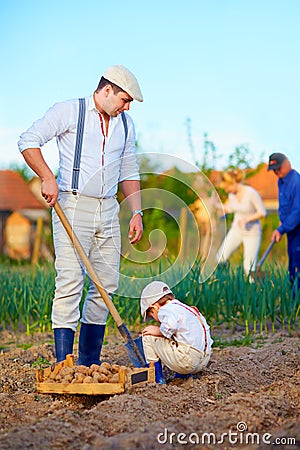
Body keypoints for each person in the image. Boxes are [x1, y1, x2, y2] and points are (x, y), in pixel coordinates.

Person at [18, 65, 144, 364]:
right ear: (107, 90)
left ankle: (89, 364)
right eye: (125, 100)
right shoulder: (69, 111)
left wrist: (136, 212)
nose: (127, 107)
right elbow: (28, 140)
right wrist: (48, 177)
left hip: (109, 208)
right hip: (73, 204)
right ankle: (64, 364)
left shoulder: (125, 125)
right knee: (71, 282)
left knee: (106, 285)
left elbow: (129, 169)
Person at [140, 281, 213, 383]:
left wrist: (157, 330)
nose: (156, 320)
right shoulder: (185, 309)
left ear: (154, 307)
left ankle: (157, 379)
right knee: (178, 336)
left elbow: (170, 326)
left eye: (152, 315)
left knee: (148, 336)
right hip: (203, 360)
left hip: (187, 361)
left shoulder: (165, 310)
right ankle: (182, 376)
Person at [216, 169, 266, 276]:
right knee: (221, 257)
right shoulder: (231, 195)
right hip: (236, 230)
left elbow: (262, 212)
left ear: (233, 183)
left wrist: (247, 219)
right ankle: (220, 282)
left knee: (249, 266)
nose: (227, 190)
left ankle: (252, 288)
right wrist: (221, 209)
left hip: (252, 233)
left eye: (227, 187)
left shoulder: (251, 193)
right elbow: (232, 208)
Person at [268, 153, 300, 291]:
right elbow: (286, 207)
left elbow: (298, 211)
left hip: (298, 230)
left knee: (298, 267)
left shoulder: (296, 182)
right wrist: (283, 224)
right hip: (291, 230)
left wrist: (281, 229)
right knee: (292, 266)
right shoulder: (281, 181)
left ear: (287, 163)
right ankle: (293, 303)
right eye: (274, 169)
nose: (276, 172)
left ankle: (296, 304)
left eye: (278, 168)